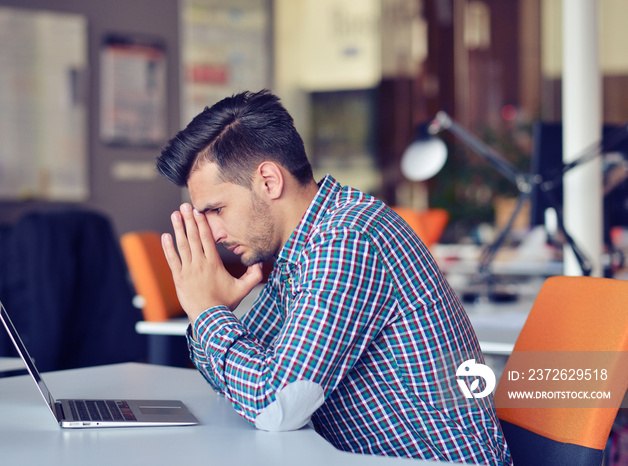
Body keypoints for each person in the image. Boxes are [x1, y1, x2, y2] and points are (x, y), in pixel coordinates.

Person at [156, 90, 511, 464]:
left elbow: (274, 404)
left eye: (216, 209)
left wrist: (208, 313)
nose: (212, 233)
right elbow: (242, 379)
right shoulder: (300, 248)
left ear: (268, 181)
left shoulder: (346, 239)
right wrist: (212, 315)